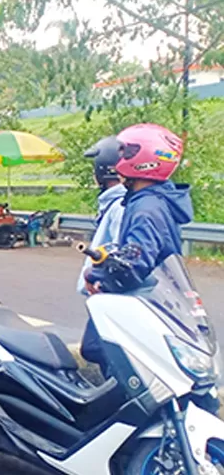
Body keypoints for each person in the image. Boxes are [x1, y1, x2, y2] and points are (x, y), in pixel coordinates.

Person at [83, 124, 192, 369]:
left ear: (142, 159)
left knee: (97, 348)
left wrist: (96, 275)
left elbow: (135, 262)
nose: (119, 159)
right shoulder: (152, 199)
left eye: (126, 152)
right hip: (159, 298)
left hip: (146, 302)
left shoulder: (147, 209)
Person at [75, 136, 126, 369]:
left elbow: (119, 251)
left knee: (97, 349)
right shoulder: (114, 203)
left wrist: (101, 280)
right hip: (107, 293)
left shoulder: (119, 206)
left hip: (110, 293)